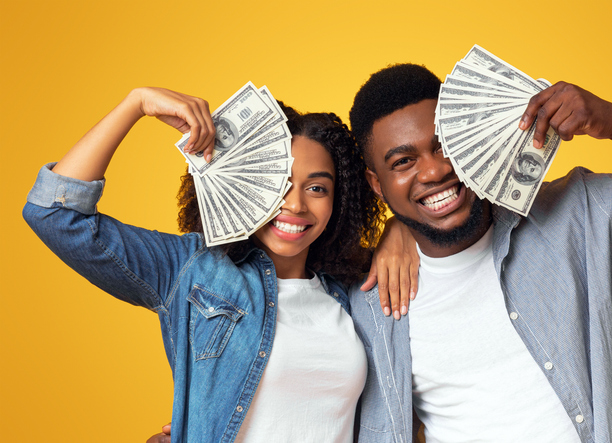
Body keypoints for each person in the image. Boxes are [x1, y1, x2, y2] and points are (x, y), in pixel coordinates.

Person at [346, 64, 612, 442]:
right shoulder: (368, 304)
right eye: (403, 161)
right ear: (376, 184)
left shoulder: (585, 217)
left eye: (442, 145)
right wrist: (396, 227)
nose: (435, 169)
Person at [22, 86, 417, 442]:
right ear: (246, 184)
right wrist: (135, 103)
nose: (295, 205)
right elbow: (54, 214)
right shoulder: (192, 270)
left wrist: (401, 226)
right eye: (277, 183)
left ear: (338, 202)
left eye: (316, 188)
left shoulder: (353, 291)